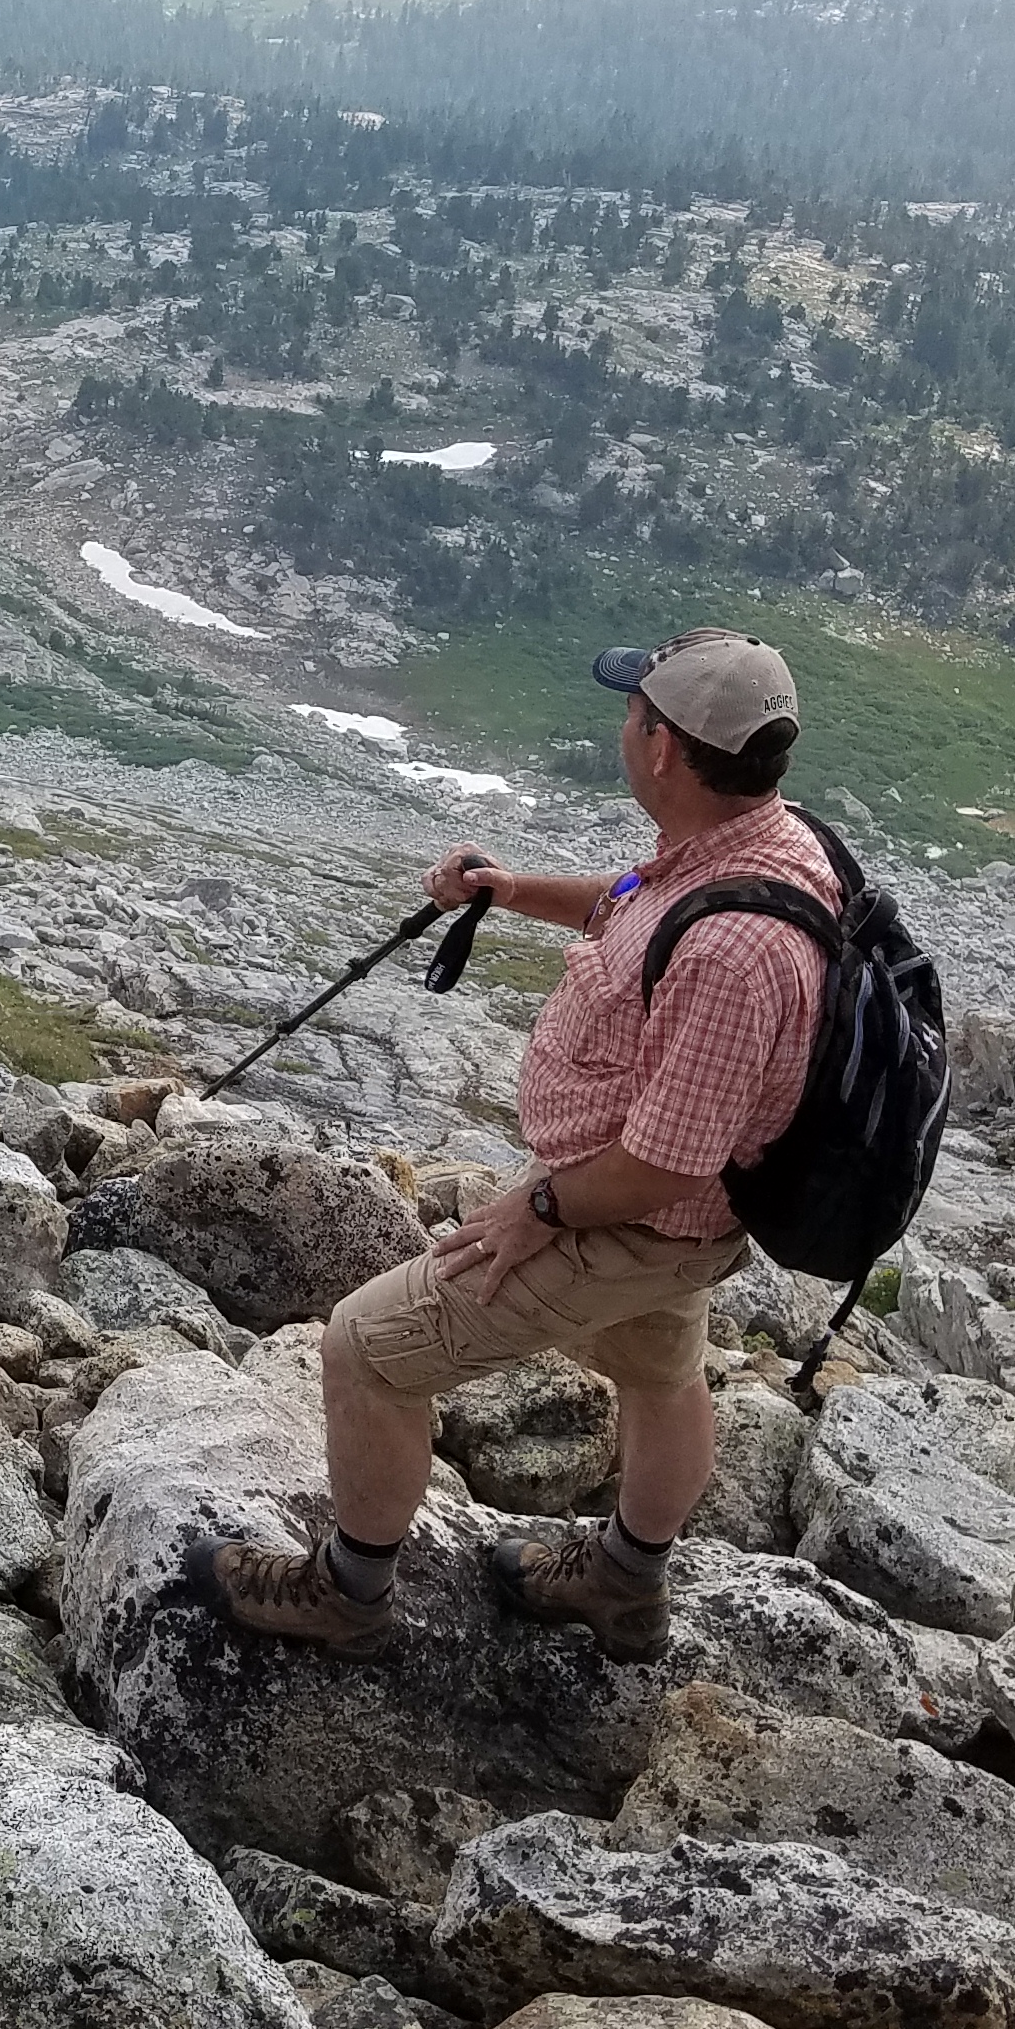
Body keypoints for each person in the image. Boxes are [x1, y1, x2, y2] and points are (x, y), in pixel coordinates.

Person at [191, 627, 832, 1664]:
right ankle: (626, 1585)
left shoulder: (736, 954)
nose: (624, 727)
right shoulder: (758, 841)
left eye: (636, 715)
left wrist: (534, 1211)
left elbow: (662, 1166)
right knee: (663, 1371)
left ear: (663, 749)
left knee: (366, 1350)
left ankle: (348, 1594)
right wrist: (510, 888)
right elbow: (638, 906)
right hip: (680, 1223)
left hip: (634, 1218)